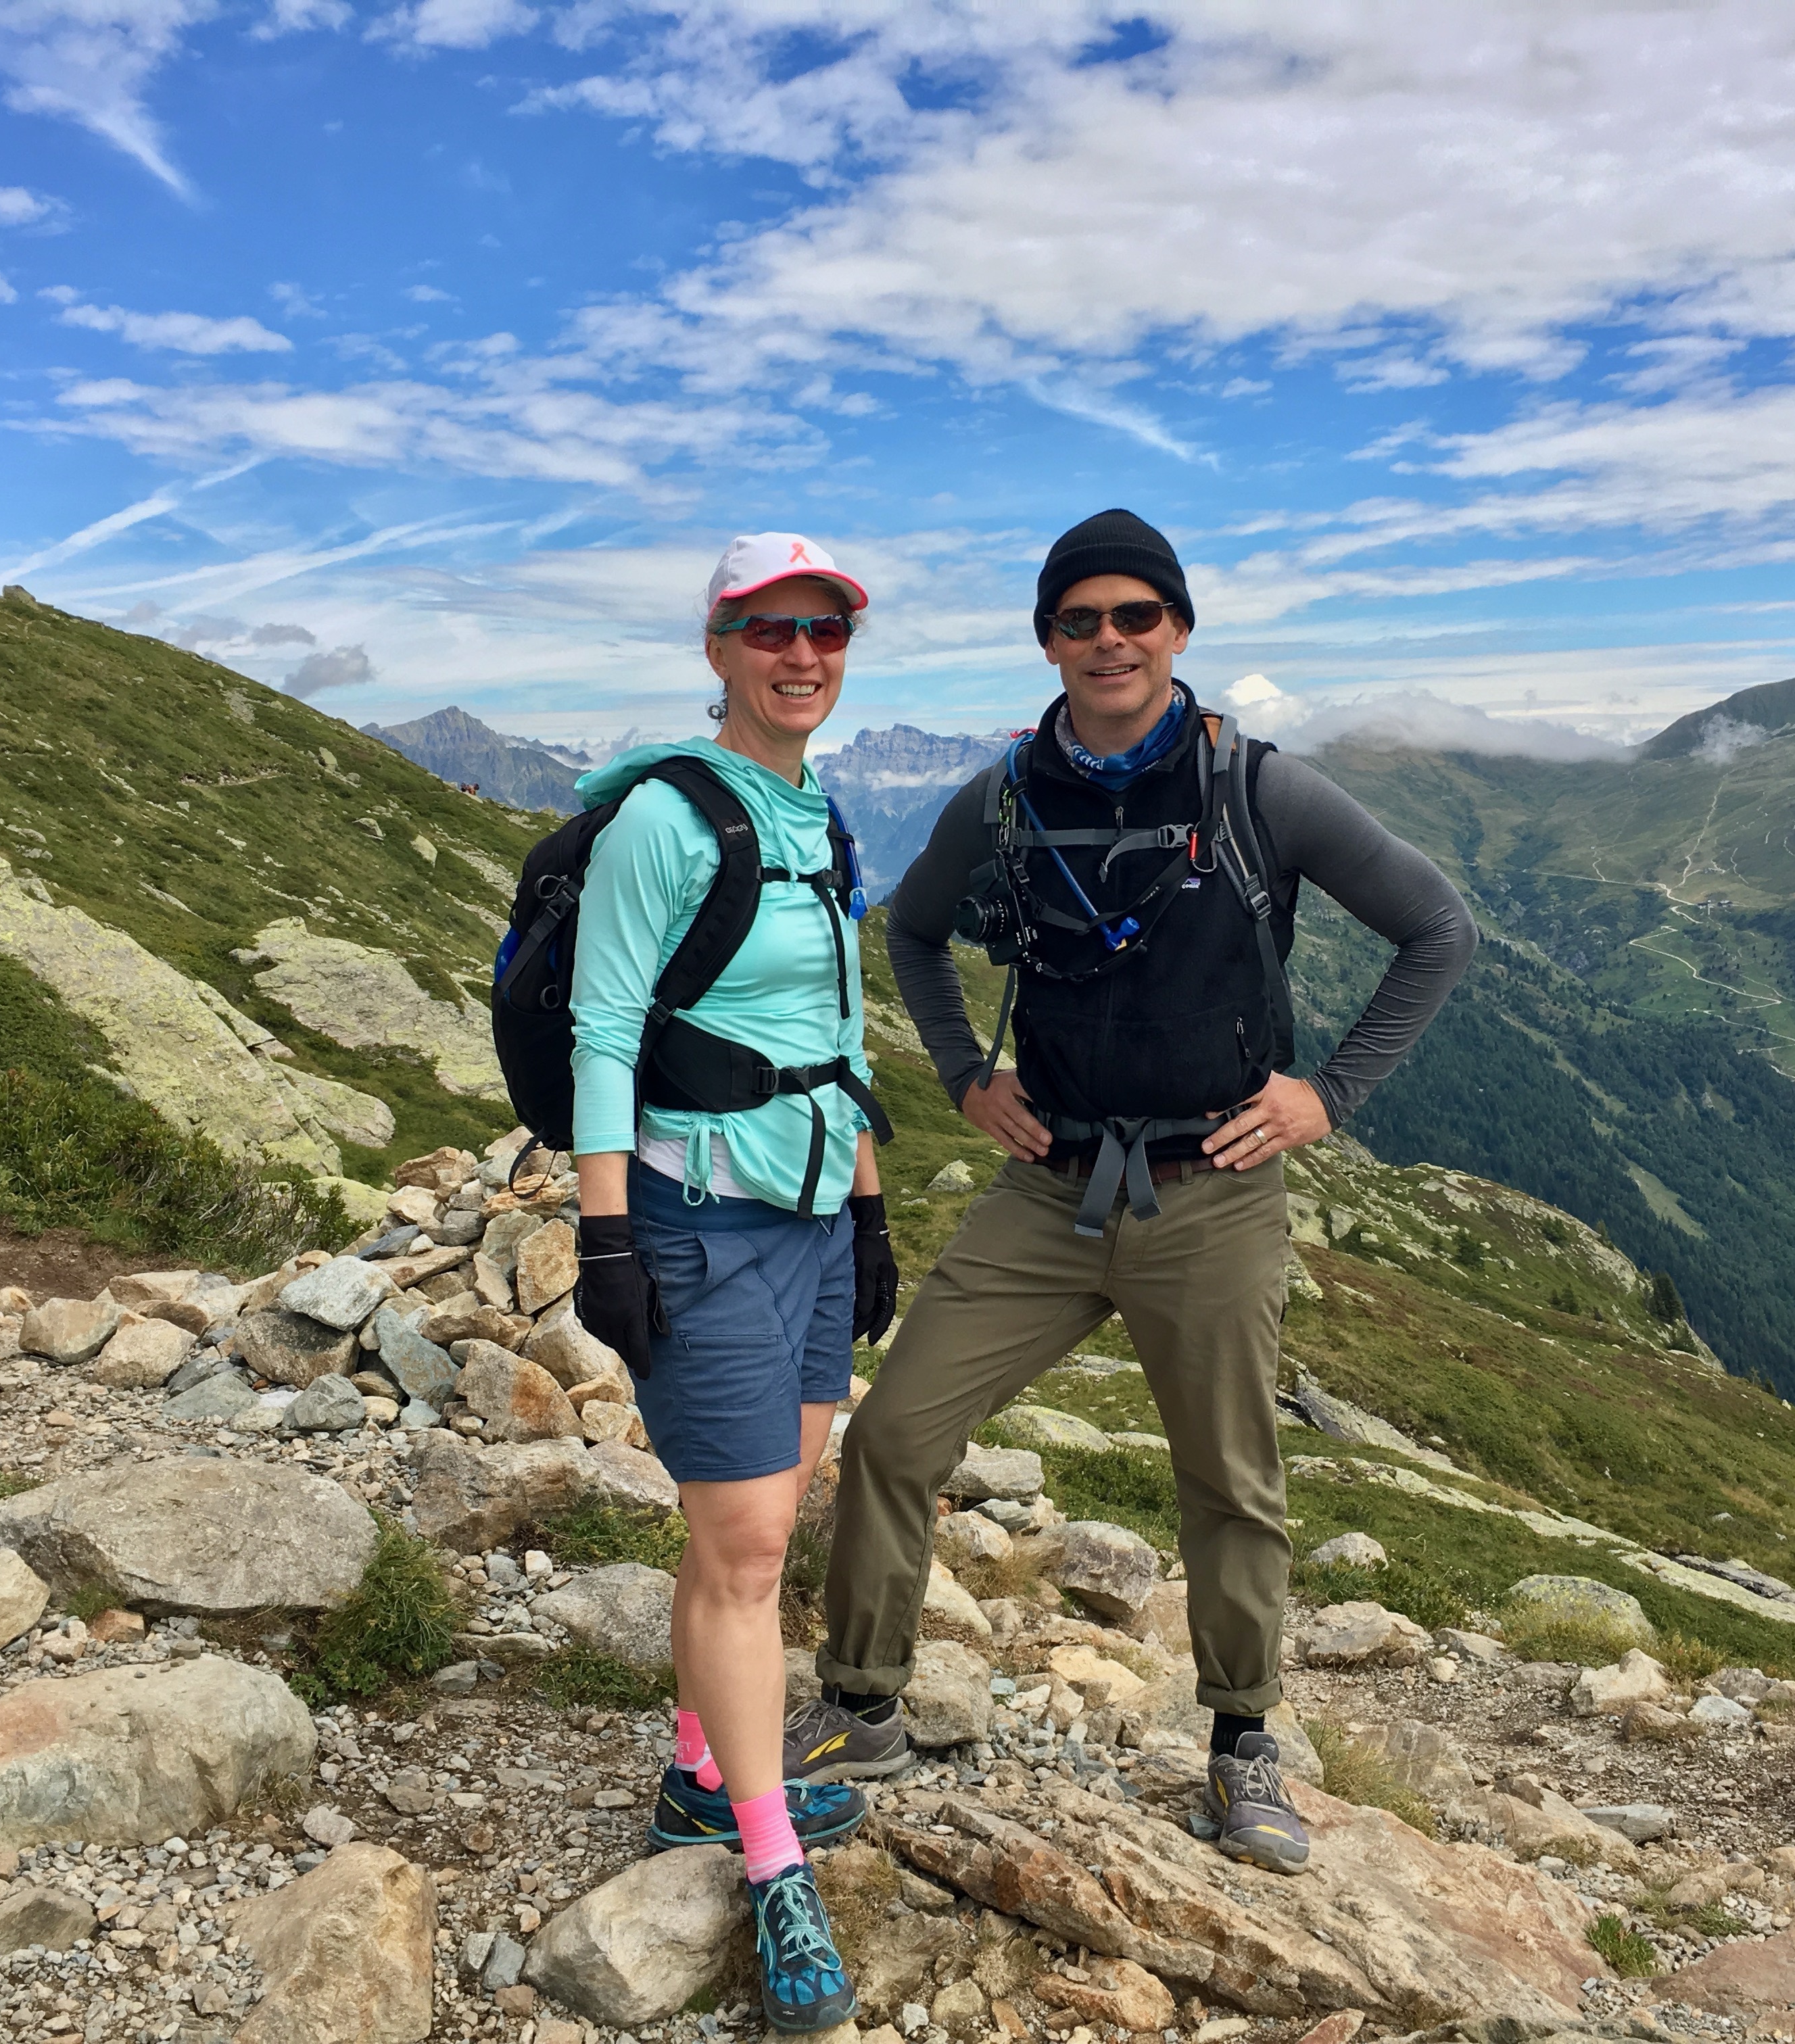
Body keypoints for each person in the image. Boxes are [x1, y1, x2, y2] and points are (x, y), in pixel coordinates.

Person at [802, 508, 1477, 1873]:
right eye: (1080, 619)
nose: (1109, 641)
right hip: (1048, 1186)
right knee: (893, 1437)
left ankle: (1242, 1747)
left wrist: (1326, 1096)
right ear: (1047, 639)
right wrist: (960, 1076)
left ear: (1177, 629)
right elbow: (916, 933)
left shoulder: (1260, 791)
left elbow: (1437, 929)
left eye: (1136, 616)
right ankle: (860, 1705)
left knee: (1229, 1480)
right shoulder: (1001, 798)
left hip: (1213, 1190)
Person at [567, 532, 901, 2035]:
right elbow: (603, 1032)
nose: (802, 655)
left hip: (821, 1209)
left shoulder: (817, 809)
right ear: (718, 647)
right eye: (771, 630)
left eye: (825, 629)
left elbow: (840, 1031)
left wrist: (876, 1214)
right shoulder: (663, 815)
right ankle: (768, 1869)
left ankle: (705, 1774)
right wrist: (606, 1232)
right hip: (701, 1214)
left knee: (768, 1516)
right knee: (754, 1544)